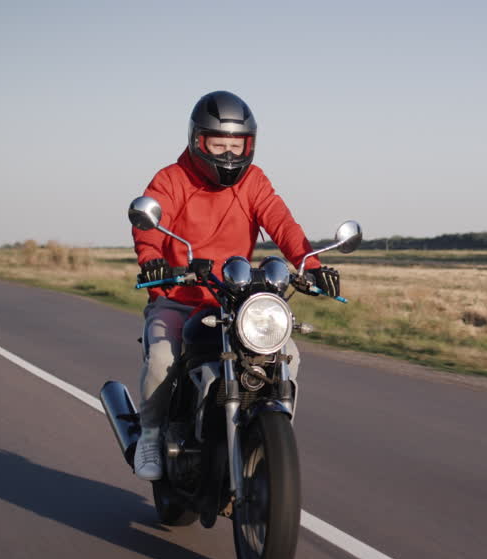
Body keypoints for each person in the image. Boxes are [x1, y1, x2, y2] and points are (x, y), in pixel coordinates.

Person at [131, 90, 340, 481]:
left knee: (288, 356)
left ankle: (268, 438)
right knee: (162, 359)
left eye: (236, 144)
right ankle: (150, 433)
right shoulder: (171, 179)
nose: (228, 154)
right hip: (180, 297)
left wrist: (311, 264)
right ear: (198, 141)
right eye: (218, 144)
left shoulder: (254, 182)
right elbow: (147, 228)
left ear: (250, 144)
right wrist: (154, 262)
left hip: (237, 301)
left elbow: (283, 225)